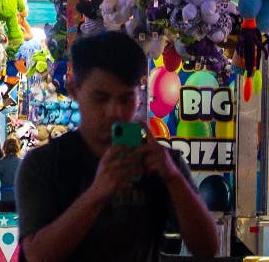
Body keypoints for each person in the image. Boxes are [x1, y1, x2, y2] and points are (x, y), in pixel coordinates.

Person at [18, 31, 218, 262]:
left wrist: (173, 178)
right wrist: (97, 194)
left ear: (139, 96)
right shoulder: (45, 163)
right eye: (100, 98)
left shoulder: (159, 162)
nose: (115, 111)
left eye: (125, 99)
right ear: (74, 90)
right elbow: (36, 255)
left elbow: (207, 248)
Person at [0, 138, 22, 213]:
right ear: (17, 148)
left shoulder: (0, 163)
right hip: (19, 200)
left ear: (4, 148)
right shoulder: (22, 162)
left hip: (2, 201)